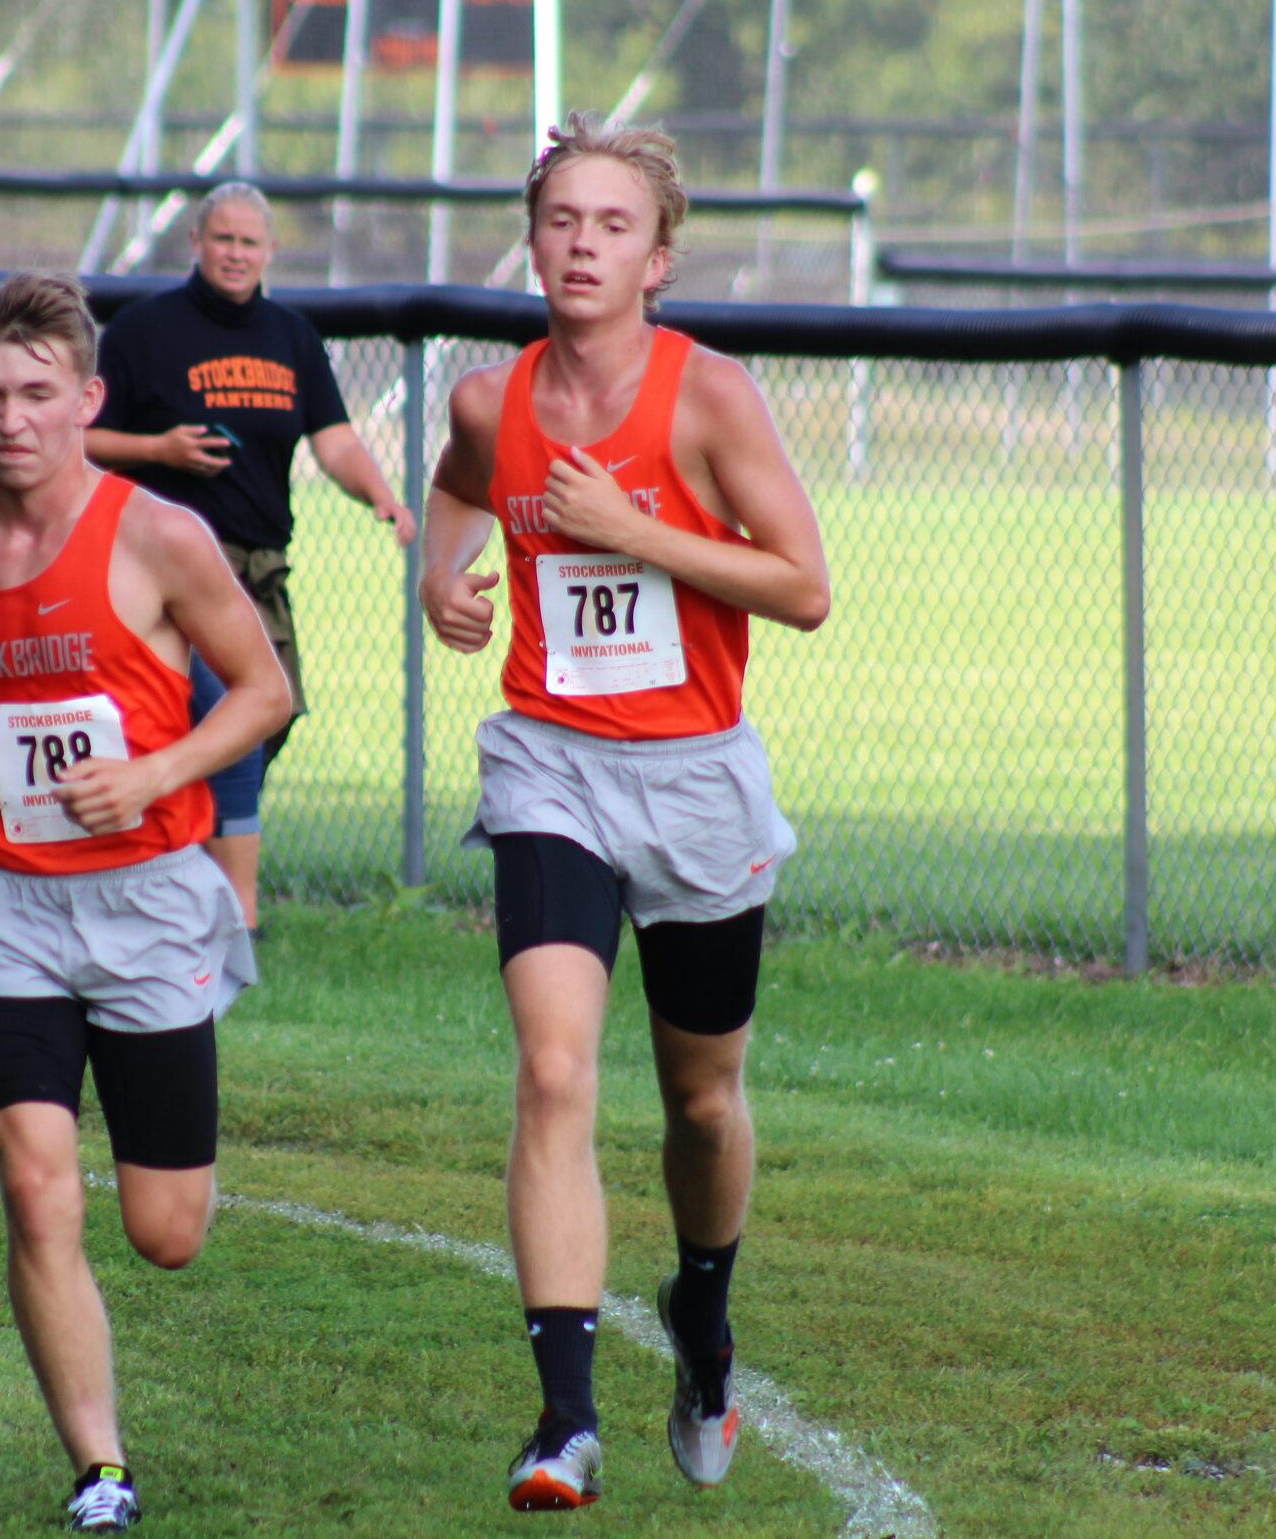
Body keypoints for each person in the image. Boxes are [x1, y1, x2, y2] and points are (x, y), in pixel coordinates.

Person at [415, 115, 832, 1512]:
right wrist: (440, 576)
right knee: (552, 1068)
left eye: (610, 225)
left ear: (658, 259)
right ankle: (565, 1416)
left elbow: (804, 585)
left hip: (697, 778)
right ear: (532, 241)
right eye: (560, 220)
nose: (580, 244)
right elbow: (459, 488)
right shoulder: (492, 397)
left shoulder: (709, 397)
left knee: (702, 1099)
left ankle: (703, 1315)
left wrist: (635, 528)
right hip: (552, 762)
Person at [0, 272, 291, 1535]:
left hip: (149, 904)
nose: (11, 420)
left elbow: (262, 692)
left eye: (37, 394)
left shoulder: (157, 536)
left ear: (88, 399)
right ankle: (100, 1472)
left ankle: (111, 1422)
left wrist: (160, 772)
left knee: (165, 1230)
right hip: (6, 908)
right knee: (32, 1178)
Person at [87, 182, 416, 930]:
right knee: (192, 720)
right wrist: (158, 448)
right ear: (197, 243)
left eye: (250, 242)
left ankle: (198, 878)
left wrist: (382, 497)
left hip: (257, 569)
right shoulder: (144, 331)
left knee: (265, 718)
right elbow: (81, 435)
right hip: (165, 575)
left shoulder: (291, 336)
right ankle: (216, 903)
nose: (236, 254)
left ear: (270, 252)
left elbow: (333, 438)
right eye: (223, 239)